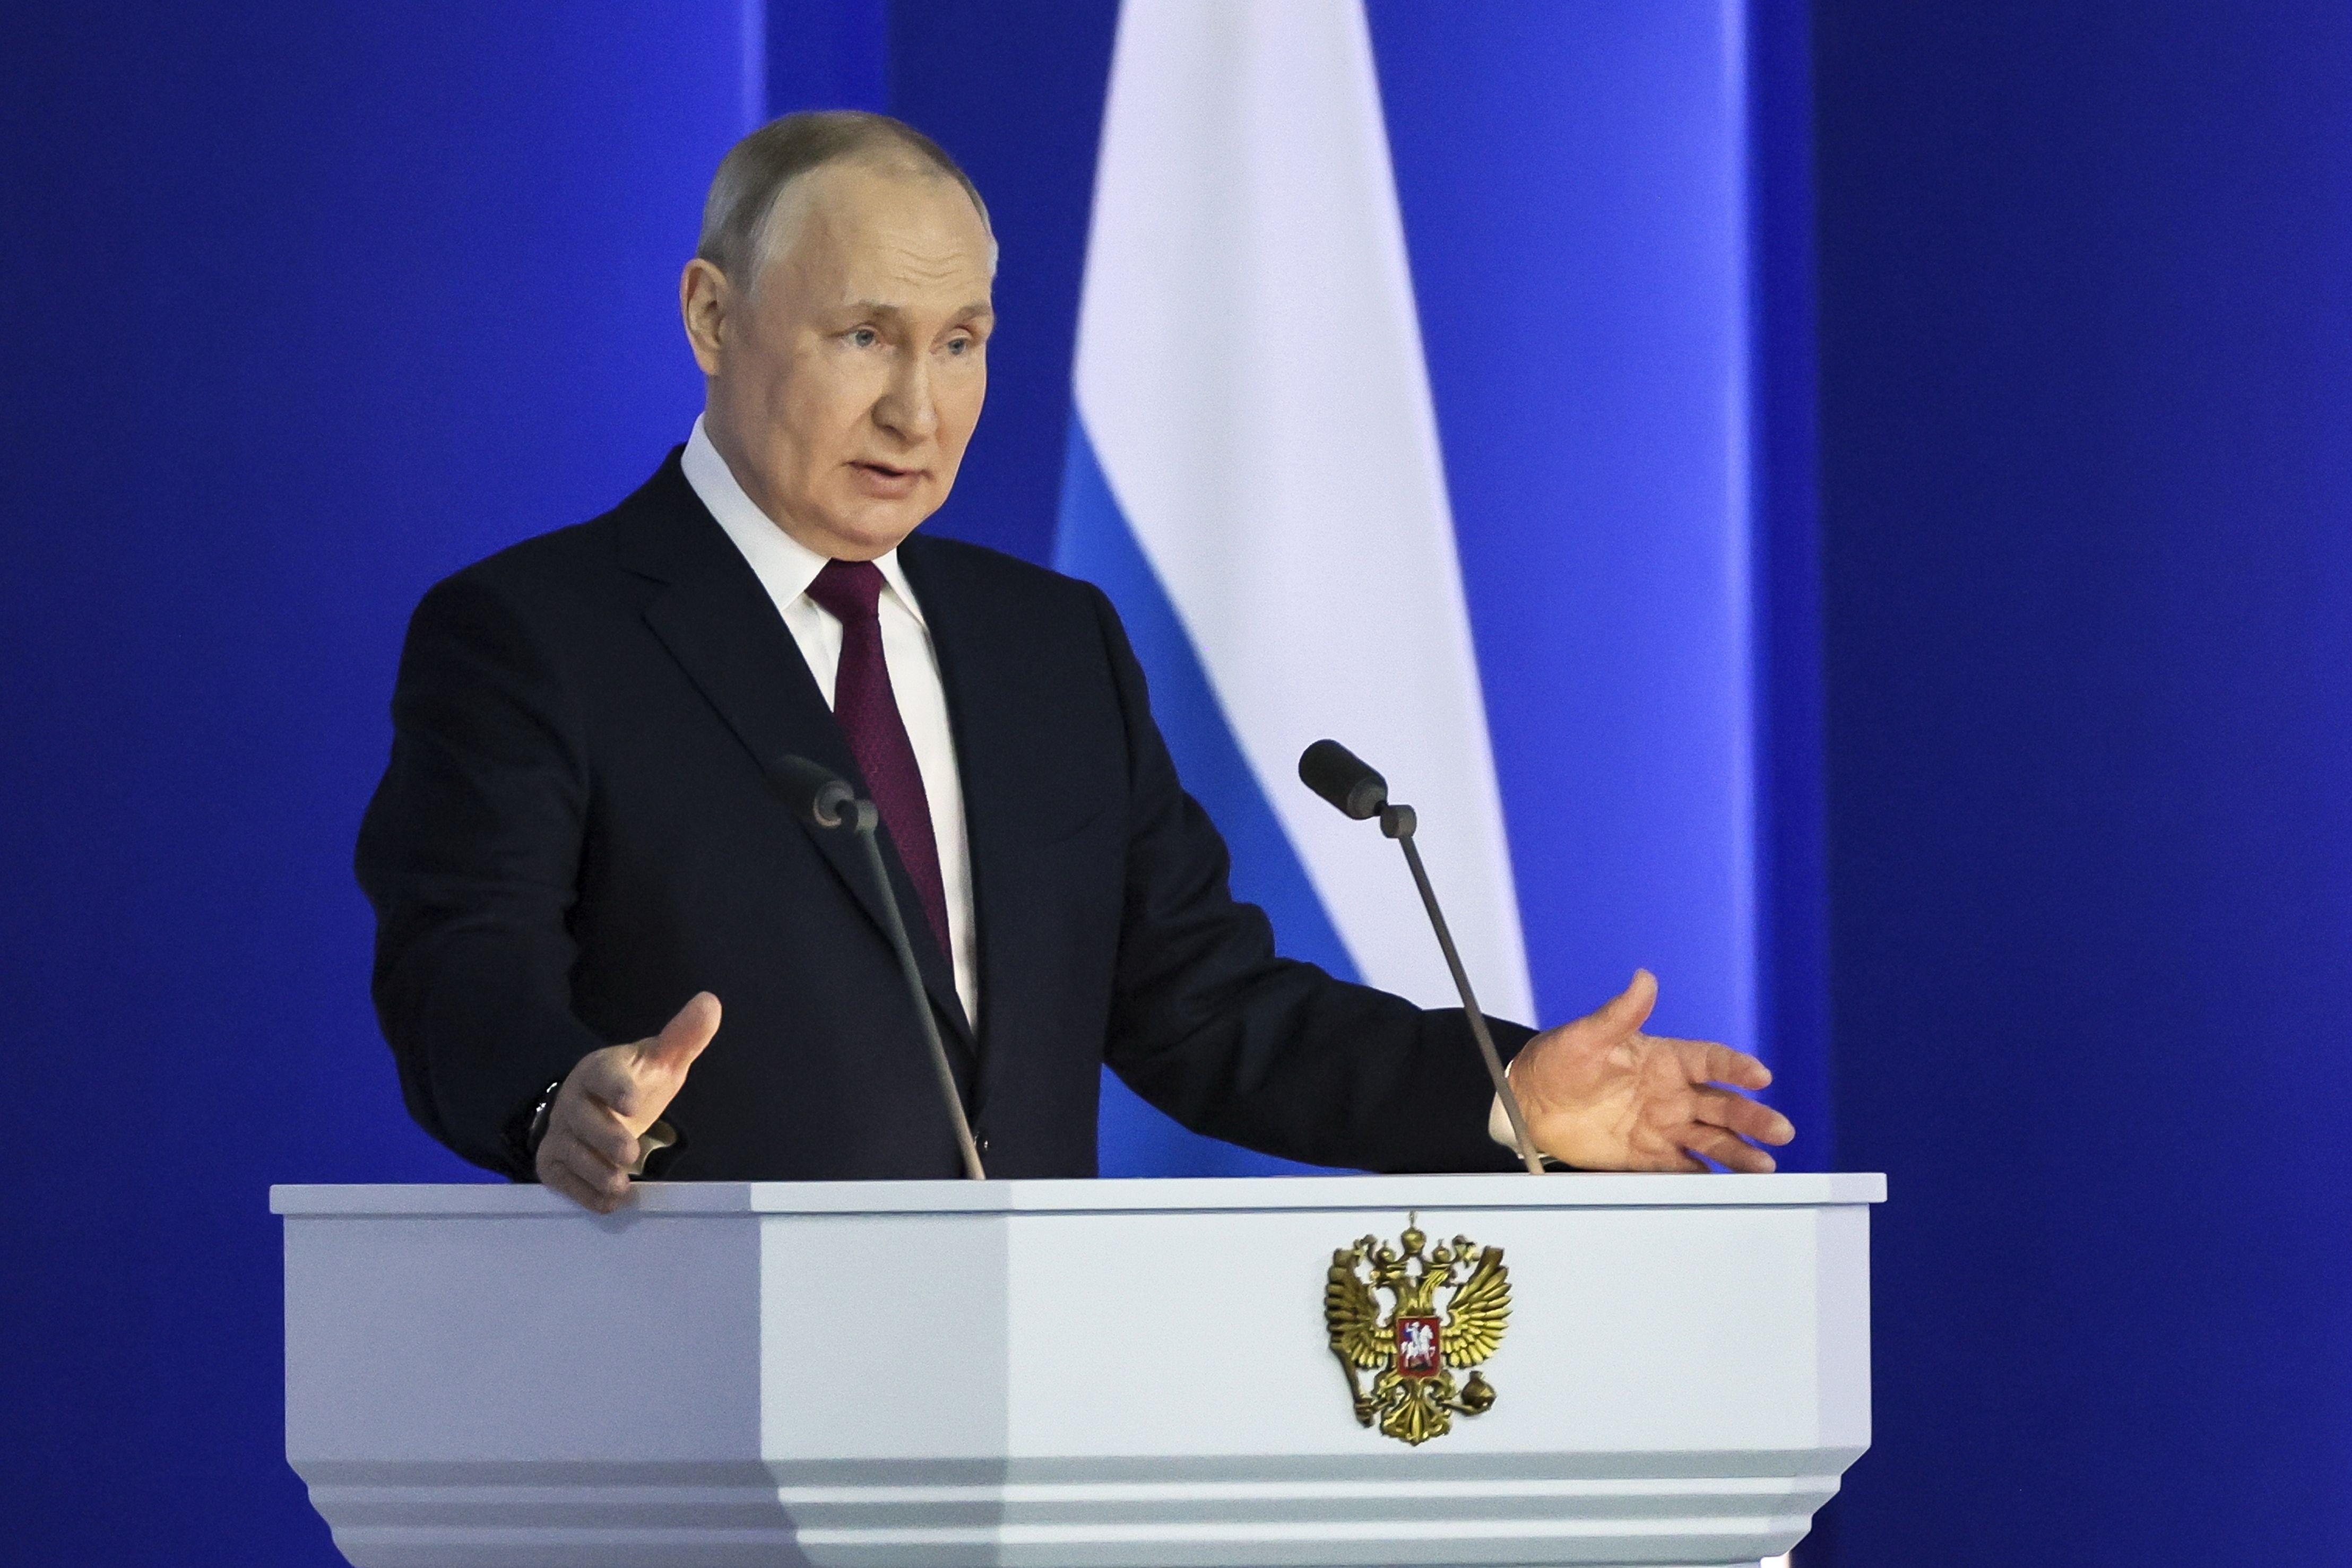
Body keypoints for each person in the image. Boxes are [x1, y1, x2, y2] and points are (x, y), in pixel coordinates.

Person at [357, 111, 1793, 1214]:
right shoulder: (539, 633)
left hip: (1028, 1414)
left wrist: (1499, 1093)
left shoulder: (1048, 646)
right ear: (713, 318)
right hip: (701, 1394)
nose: (920, 409)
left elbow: (1206, 1010)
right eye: (866, 336)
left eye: (963, 342)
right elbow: (458, 962)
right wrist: (562, 1093)